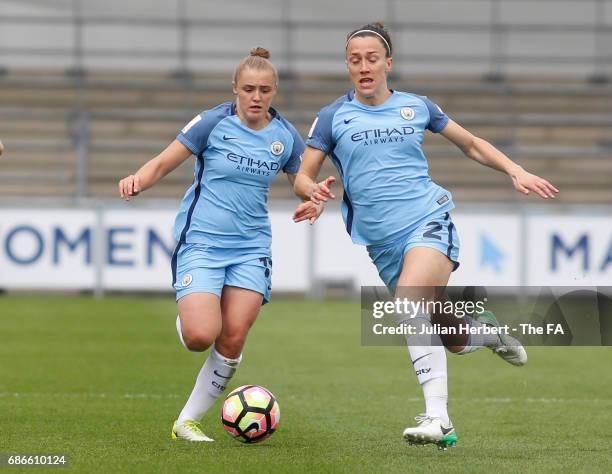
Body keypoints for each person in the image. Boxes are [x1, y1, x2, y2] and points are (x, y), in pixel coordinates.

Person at [293, 22, 559, 449]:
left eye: (372, 58)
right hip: (381, 245)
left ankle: (439, 420)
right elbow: (303, 176)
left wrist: (516, 169)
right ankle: (485, 333)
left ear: (388, 64)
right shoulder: (331, 117)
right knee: (446, 332)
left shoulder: (416, 107)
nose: (364, 66)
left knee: (408, 304)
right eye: (355, 60)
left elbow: (470, 143)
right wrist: (314, 192)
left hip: (428, 220)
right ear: (347, 65)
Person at [119, 47, 321, 442]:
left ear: (274, 91)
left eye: (264, 89)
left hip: (251, 247)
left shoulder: (285, 137)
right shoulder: (212, 123)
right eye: (248, 89)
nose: (256, 96)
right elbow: (164, 160)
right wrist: (138, 179)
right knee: (200, 336)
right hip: (203, 242)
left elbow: (299, 179)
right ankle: (192, 312)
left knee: (232, 338)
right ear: (235, 88)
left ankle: (187, 421)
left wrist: (311, 197)